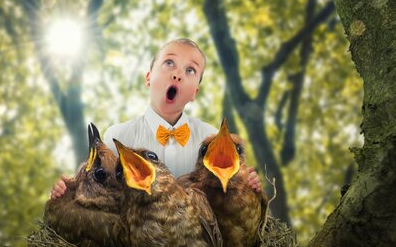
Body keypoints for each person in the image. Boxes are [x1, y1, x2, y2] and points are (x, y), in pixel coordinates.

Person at [50, 38, 262, 198]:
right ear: (149, 77)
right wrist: (67, 191)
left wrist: (248, 184)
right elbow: (102, 190)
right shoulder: (117, 136)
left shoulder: (211, 139)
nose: (177, 74)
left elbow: (226, 194)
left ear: (194, 92)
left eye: (190, 70)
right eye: (169, 63)